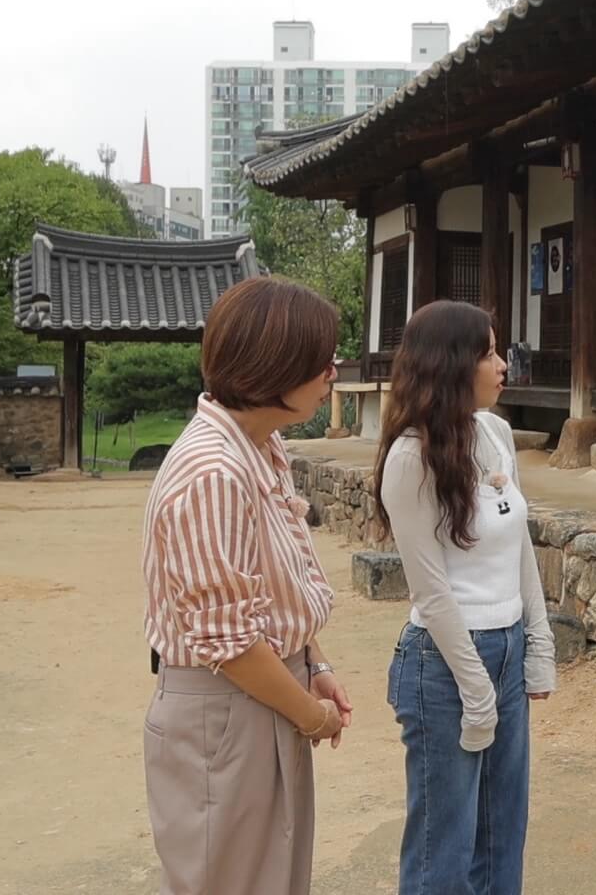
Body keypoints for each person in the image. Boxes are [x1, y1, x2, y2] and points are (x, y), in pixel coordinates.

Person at [140, 275, 353, 895]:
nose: (331, 372)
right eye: (319, 359)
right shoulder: (213, 471)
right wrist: (311, 716)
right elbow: (228, 641)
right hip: (227, 708)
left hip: (262, 693)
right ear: (275, 367)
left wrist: (312, 661)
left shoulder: (259, 446)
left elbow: (277, 583)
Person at [374, 300, 556, 895]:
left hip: (503, 648)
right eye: (488, 354)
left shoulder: (497, 433)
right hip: (443, 664)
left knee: (504, 838)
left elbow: (519, 546)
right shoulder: (410, 458)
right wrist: (476, 690)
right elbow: (432, 589)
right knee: (443, 852)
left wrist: (538, 641)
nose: (502, 365)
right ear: (452, 364)